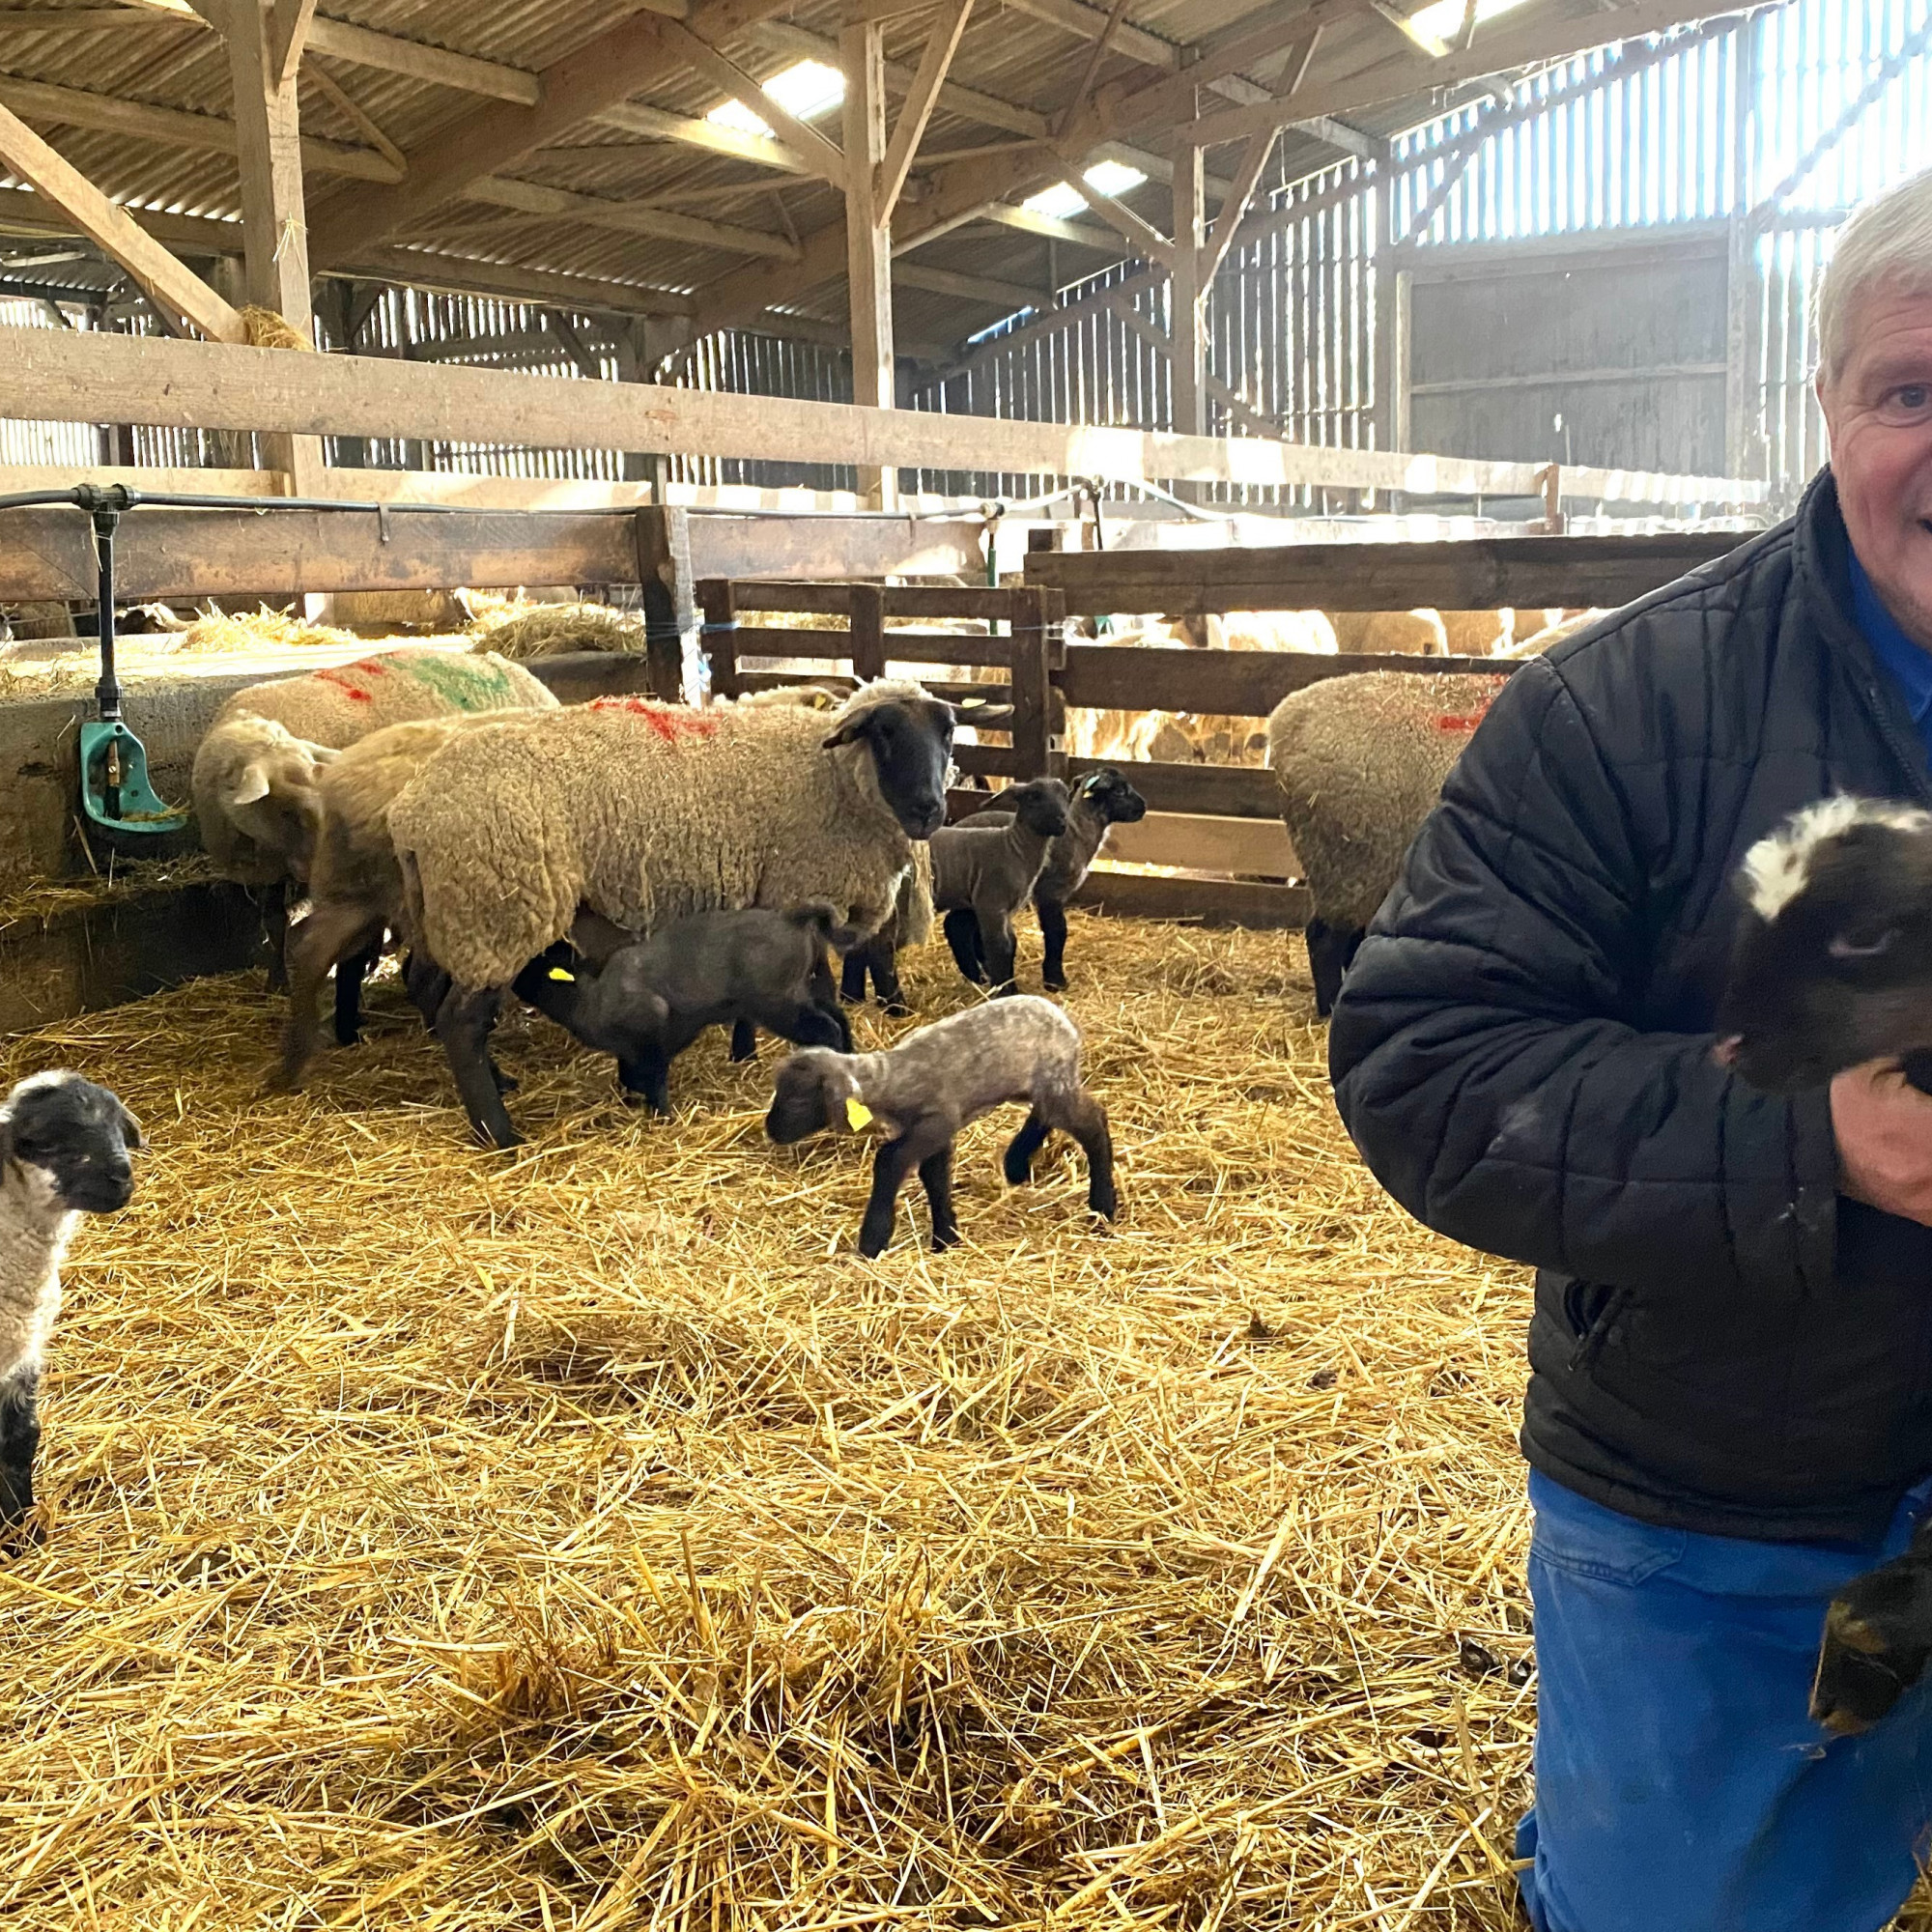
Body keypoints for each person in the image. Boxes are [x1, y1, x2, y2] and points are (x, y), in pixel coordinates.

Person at [1328, 167, 1932, 1932]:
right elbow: (1427, 1062)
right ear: (1827, 403)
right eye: (1916, 393)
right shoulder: (1622, 708)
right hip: (1737, 1501)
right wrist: (1822, 1141)